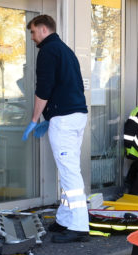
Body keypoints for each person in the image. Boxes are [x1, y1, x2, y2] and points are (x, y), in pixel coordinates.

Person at [22, 15, 90, 243]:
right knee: (67, 168)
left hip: (64, 119)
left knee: (69, 172)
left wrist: (34, 118)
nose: (32, 37)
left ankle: (79, 225)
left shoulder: (48, 51)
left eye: (32, 32)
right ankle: (65, 219)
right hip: (76, 114)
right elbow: (75, 85)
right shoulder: (66, 50)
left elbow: (44, 88)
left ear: (43, 29)